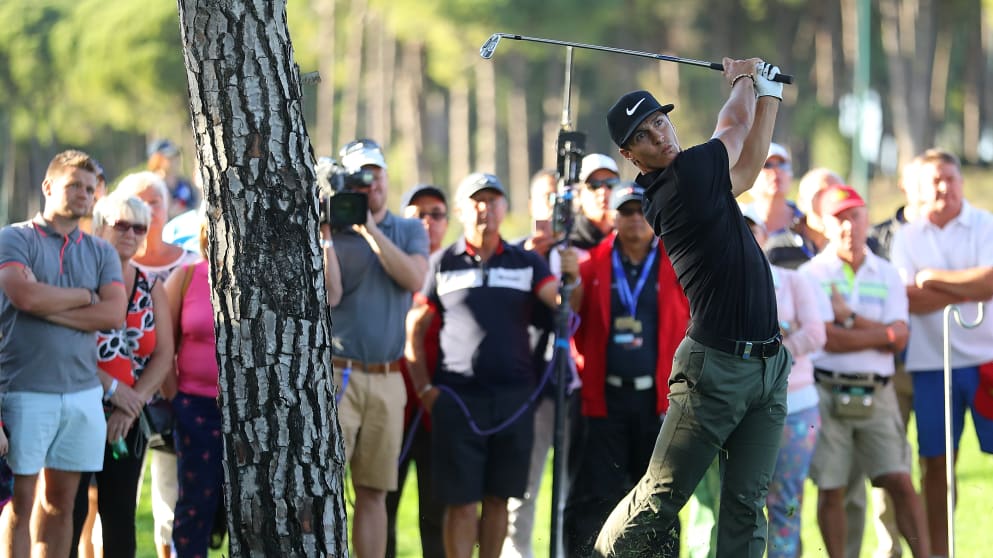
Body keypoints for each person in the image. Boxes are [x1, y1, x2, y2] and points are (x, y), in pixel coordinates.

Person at [593, 58, 791, 558]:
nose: (660, 136)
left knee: (747, 503)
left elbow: (747, 168)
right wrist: (745, 77)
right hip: (715, 371)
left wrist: (770, 94)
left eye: (660, 121)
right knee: (661, 496)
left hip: (768, 364)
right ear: (630, 155)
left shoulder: (702, 179)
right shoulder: (680, 182)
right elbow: (735, 125)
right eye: (644, 135)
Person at [404, 172, 578, 558]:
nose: (486, 208)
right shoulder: (443, 263)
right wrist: (423, 389)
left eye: (493, 200)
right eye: (477, 201)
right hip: (458, 400)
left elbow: (563, 305)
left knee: (499, 499)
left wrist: (571, 277)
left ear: (504, 208)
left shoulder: (527, 262)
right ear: (464, 211)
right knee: (462, 502)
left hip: (514, 401)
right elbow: (415, 328)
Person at [0, 149, 131, 558]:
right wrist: (83, 297)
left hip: (81, 395)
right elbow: (22, 295)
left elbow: (112, 314)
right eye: (74, 185)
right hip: (24, 390)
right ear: (49, 186)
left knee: (61, 504)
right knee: (21, 504)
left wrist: (48, 304)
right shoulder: (14, 238)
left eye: (90, 189)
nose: (83, 195)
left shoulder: (101, 252)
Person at [798, 184, 930, 558]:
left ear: (866, 218)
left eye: (854, 216)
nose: (848, 227)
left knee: (900, 481)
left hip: (879, 393)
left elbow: (900, 339)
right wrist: (880, 333)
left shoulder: (886, 273)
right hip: (828, 391)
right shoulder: (811, 274)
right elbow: (827, 339)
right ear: (824, 224)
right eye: (839, 219)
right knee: (831, 486)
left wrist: (851, 319)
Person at [565, 183, 689, 557]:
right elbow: (569, 314)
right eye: (627, 211)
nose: (636, 218)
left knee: (659, 497)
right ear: (614, 218)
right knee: (597, 496)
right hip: (606, 400)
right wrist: (569, 279)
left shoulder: (678, 260)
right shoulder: (591, 263)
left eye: (641, 210)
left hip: (659, 400)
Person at [322, 139, 429, 558]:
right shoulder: (333, 229)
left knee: (373, 492)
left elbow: (414, 278)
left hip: (388, 378)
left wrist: (369, 229)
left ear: (386, 177)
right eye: (359, 178)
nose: (370, 185)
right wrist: (327, 234)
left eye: (375, 175)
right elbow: (331, 295)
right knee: (326, 485)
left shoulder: (408, 229)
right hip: (337, 374)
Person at [889, 148, 993, 558]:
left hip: (987, 360)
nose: (945, 187)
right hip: (933, 364)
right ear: (919, 188)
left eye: (951, 178)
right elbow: (906, 299)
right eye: (935, 180)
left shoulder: (985, 223)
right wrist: (967, 287)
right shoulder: (907, 236)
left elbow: (989, 282)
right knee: (936, 466)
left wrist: (933, 279)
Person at [69, 193, 175, 558]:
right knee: (72, 511)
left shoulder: (151, 286)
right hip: (76, 406)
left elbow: (163, 354)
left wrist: (131, 403)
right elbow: (65, 344)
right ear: (99, 227)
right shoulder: (77, 280)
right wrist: (112, 388)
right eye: (121, 224)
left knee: (119, 514)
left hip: (127, 419)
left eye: (139, 227)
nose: (130, 233)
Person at [115, 170, 201, 558]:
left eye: (155, 202)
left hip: (174, 400)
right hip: (114, 401)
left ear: (168, 210)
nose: (147, 211)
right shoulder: (106, 265)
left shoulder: (189, 266)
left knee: (172, 502)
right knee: (114, 506)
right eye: (138, 201)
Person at [741, 206, 827, 557]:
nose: (744, 238)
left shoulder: (793, 281)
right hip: (741, 409)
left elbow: (815, 334)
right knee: (742, 502)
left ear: (764, 236)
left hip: (796, 407)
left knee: (785, 503)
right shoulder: (716, 284)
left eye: (752, 230)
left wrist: (771, 352)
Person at [860, 159, 923, 558]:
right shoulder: (878, 237)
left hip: (939, 365)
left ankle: (932, 544)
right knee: (889, 464)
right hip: (890, 367)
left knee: (937, 465)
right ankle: (889, 549)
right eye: (921, 181)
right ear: (904, 184)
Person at [385, 183, 449, 558]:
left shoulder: (457, 265)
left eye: (436, 214)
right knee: (382, 507)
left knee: (436, 516)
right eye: (417, 214)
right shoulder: (388, 263)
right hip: (392, 405)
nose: (427, 222)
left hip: (439, 409)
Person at [503, 168, 565, 558]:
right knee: (521, 492)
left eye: (561, 198)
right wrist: (535, 257)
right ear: (531, 204)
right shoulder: (514, 254)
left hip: (576, 387)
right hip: (530, 388)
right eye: (546, 197)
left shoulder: (583, 251)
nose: (553, 205)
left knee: (570, 491)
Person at [162, 222, 223, 558]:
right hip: (195, 409)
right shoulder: (185, 277)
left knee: (249, 505)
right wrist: (177, 400)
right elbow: (163, 347)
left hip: (251, 412)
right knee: (196, 504)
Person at [745, 143, 818, 268]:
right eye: (767, 165)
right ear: (749, 175)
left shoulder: (809, 223)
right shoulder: (737, 221)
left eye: (783, 165)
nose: (776, 170)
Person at [570, 154, 621, 251]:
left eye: (611, 183)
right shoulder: (567, 243)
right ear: (578, 194)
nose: (603, 191)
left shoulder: (629, 237)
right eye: (594, 185)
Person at [796, 168, 845, 254]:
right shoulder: (778, 248)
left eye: (836, 194)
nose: (828, 201)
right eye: (820, 194)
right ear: (802, 202)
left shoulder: (859, 248)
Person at [147, 139, 198, 218]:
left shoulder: (184, 184)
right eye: (169, 157)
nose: (176, 160)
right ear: (156, 159)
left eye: (176, 155)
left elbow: (195, 207)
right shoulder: (151, 186)